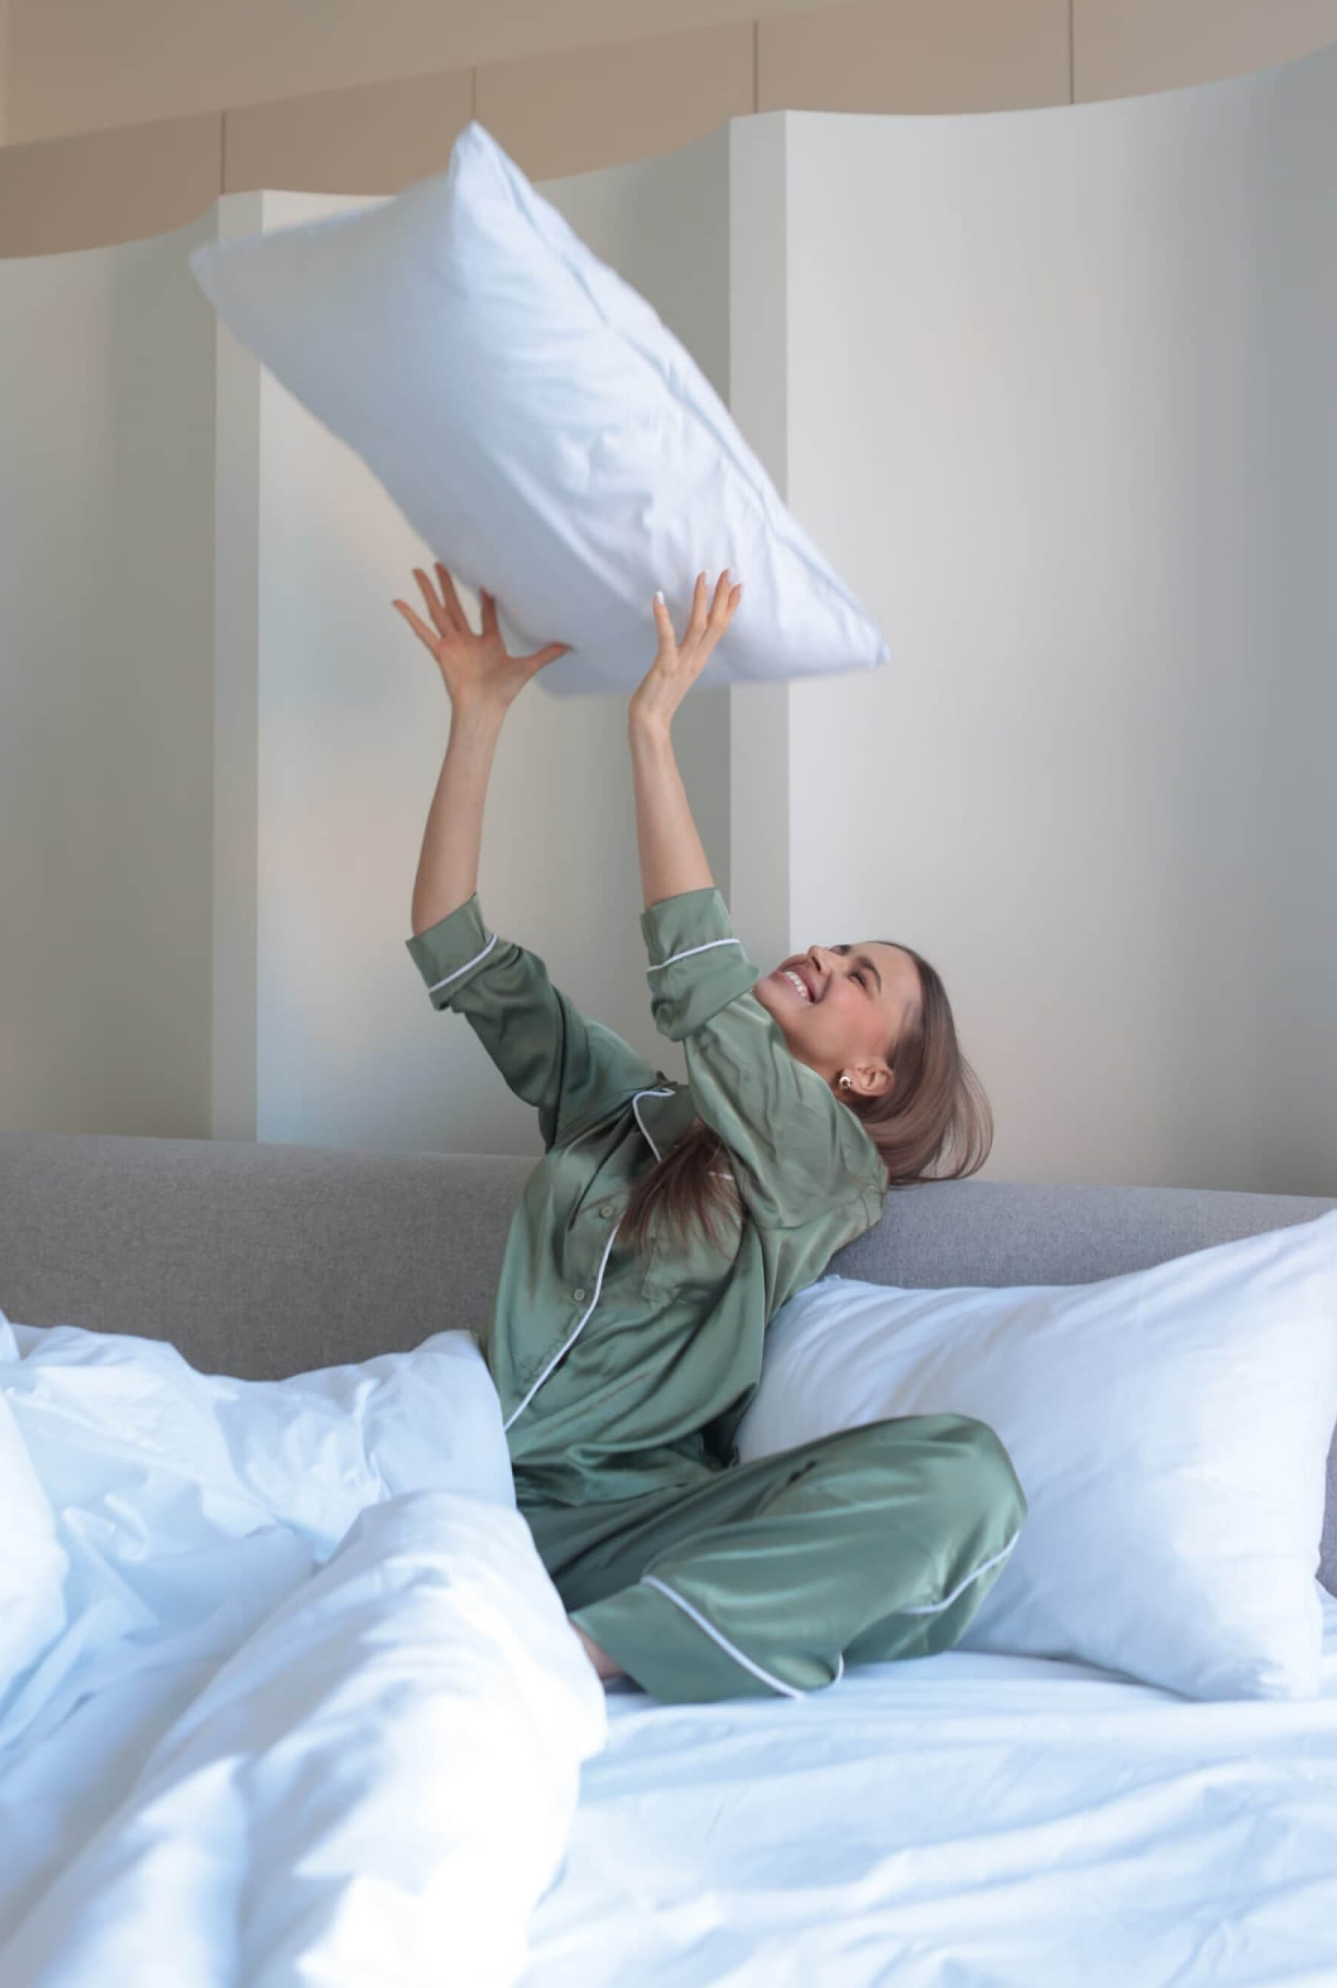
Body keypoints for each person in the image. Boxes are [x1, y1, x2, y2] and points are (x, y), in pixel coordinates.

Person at [396, 559, 1024, 1704]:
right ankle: (498, 1613)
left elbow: (702, 986)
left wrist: (652, 730)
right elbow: (457, 950)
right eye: (837, 946)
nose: (823, 956)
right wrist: (478, 716)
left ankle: (595, 1653)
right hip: (466, 1485)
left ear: (870, 1074)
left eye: (858, 975)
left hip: (630, 1531)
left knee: (967, 1479)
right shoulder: (624, 1108)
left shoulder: (827, 1176)